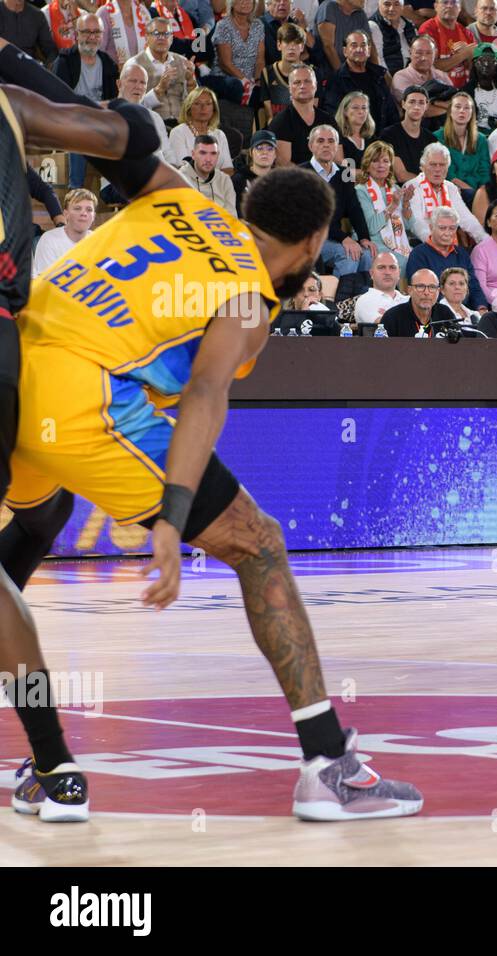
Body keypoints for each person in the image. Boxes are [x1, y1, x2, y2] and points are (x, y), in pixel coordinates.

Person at [8, 78, 424, 820]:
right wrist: (170, 520)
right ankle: (327, 765)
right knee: (258, 544)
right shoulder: (250, 295)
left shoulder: (180, 199)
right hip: (83, 403)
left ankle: (49, 765)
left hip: (13, 363)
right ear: (312, 244)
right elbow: (204, 393)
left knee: (19, 553)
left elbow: (125, 146)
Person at [0, 34, 176, 823]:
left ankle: (56, 763)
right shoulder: (13, 101)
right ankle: (56, 766)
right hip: (9, 349)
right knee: (43, 508)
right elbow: (127, 132)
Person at [53, 15, 119, 188]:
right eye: (86, 32)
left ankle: (113, 190)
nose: (92, 36)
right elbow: (57, 99)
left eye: (96, 32)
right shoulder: (64, 61)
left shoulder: (108, 63)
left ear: (102, 35)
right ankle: (75, 190)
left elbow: (114, 100)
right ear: (76, 35)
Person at [301, 124, 375, 277]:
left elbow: (354, 207)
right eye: (320, 141)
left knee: (368, 254)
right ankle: (339, 300)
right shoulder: (301, 174)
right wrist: (344, 238)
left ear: (337, 146)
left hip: (333, 238)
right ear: (310, 145)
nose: (326, 145)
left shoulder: (344, 174)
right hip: (307, 240)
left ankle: (360, 298)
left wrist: (363, 237)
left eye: (331, 141)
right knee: (348, 254)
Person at [407, 141, 488, 245]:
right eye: (433, 164)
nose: (437, 169)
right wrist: (435, 244)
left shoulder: (451, 188)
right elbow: (417, 223)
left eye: (442, 165)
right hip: (420, 244)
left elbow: (467, 219)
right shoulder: (412, 187)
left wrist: (486, 240)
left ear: (447, 168)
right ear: (422, 167)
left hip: (448, 243)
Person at [354, 141, 416, 272]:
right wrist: (392, 205)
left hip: (398, 244)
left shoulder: (395, 188)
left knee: (420, 258)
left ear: (390, 165)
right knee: (407, 262)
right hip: (372, 244)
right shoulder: (360, 190)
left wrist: (405, 204)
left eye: (385, 161)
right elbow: (371, 228)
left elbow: (409, 227)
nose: (381, 165)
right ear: (367, 164)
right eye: (375, 161)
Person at [406, 206, 489, 303]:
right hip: (435, 312)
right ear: (431, 227)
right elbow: (420, 292)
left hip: (464, 310)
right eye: (442, 228)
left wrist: (481, 307)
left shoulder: (462, 254)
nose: (447, 233)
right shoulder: (418, 254)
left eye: (452, 228)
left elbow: (473, 285)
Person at [321, 31, 397, 134]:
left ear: (369, 50)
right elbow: (334, 116)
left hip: (381, 140)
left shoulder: (379, 75)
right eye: (354, 45)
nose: (359, 49)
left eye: (363, 45)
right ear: (345, 51)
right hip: (351, 139)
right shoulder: (335, 80)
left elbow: (391, 111)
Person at [126, 15, 195, 123]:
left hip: (183, 126)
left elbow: (196, 103)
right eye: (156, 33)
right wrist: (159, 89)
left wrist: (191, 82)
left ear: (172, 38)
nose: (162, 38)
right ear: (146, 37)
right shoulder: (134, 65)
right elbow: (130, 107)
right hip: (151, 126)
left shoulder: (182, 61)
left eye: (166, 34)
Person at [268, 66, 332, 166]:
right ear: (289, 89)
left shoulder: (328, 120)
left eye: (307, 81)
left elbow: (337, 159)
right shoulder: (280, 122)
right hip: (296, 179)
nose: (302, 86)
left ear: (315, 86)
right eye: (297, 82)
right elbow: (284, 165)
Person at [31, 186, 94, 276]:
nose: (84, 213)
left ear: (94, 216)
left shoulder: (98, 240)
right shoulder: (49, 240)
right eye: (77, 208)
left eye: (89, 210)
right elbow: (46, 284)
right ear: (66, 214)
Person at [382, 86, 436, 183]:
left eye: (421, 103)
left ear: (426, 106)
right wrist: (430, 183)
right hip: (399, 192)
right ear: (403, 104)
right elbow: (401, 176)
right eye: (412, 102)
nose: (416, 107)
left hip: (427, 192)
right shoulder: (389, 135)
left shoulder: (431, 139)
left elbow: (436, 171)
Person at [419, 0, 476, 88]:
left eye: (454, 2)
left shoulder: (466, 33)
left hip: (463, 93)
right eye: (445, 2)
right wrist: (464, 54)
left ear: (460, 8)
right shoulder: (427, 29)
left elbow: (475, 70)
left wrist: (470, 56)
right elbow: (430, 67)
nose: (449, 6)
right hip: (437, 93)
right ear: (436, 6)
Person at [178, 134, 238, 212]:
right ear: (193, 154)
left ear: (218, 155)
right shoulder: (179, 179)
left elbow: (232, 218)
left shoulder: (224, 180)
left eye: (213, 153)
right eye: (203, 153)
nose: (208, 159)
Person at [350, 251, 409, 327]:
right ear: (371, 273)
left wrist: (388, 315)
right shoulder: (365, 300)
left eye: (392, 267)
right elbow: (386, 326)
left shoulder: (409, 300)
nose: (387, 272)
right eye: (381, 267)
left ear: (399, 273)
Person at [381, 267, 441, 335]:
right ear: (410, 290)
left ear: (438, 291)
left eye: (432, 287)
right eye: (420, 286)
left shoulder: (445, 314)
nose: (426, 292)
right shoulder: (392, 317)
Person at [232, 127, 278, 209]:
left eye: (270, 149)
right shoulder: (238, 180)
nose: (264, 152)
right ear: (250, 153)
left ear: (275, 154)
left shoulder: (281, 181)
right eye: (259, 148)